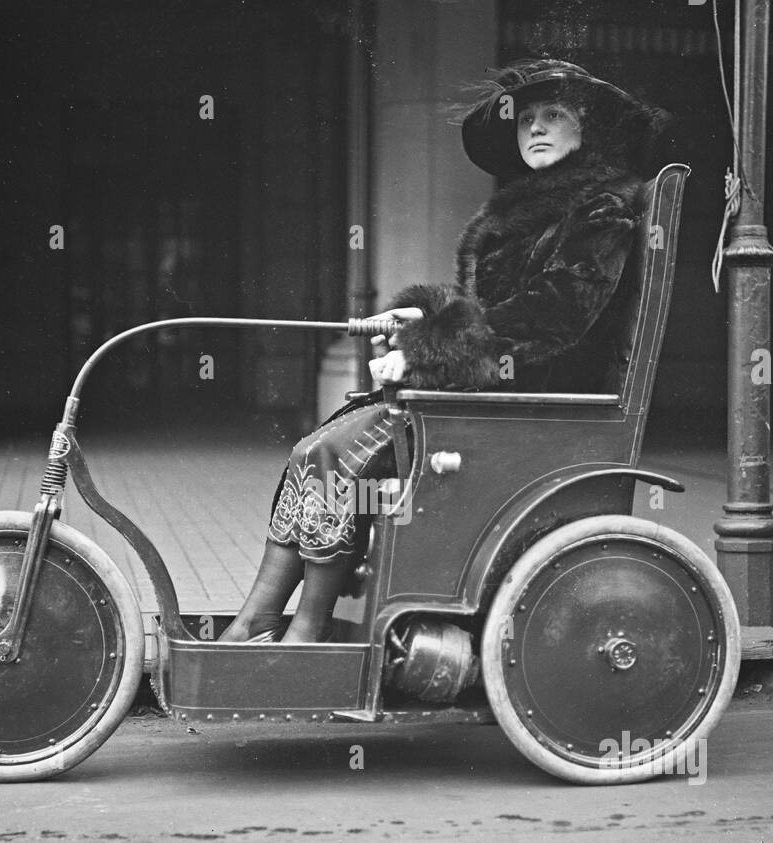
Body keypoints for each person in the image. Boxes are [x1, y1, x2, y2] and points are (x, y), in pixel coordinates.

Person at [220, 60, 667, 644]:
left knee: (334, 454)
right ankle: (260, 620)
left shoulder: (600, 210)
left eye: (554, 116)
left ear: (592, 132)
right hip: (495, 394)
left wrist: (427, 353)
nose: (534, 127)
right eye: (526, 117)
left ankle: (305, 633)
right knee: (315, 447)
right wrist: (426, 317)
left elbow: (554, 315)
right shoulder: (529, 212)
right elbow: (487, 311)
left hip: (536, 401)